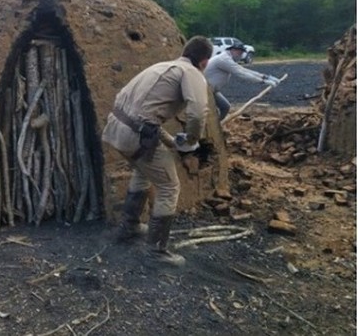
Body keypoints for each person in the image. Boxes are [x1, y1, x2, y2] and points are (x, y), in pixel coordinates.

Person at [102, 36, 213, 266]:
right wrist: (192, 139)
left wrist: (171, 141)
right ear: (204, 61)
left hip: (116, 128)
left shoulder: (162, 66)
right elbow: (198, 113)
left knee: (143, 172)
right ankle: (155, 251)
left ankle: (129, 226)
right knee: (169, 186)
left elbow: (142, 115)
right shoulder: (192, 73)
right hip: (136, 136)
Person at [205, 40, 280, 120]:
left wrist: (265, 77)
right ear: (233, 50)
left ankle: (217, 126)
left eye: (241, 53)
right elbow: (242, 74)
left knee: (225, 107)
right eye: (239, 53)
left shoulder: (228, 58)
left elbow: (244, 70)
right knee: (212, 111)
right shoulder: (224, 59)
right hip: (205, 90)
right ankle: (211, 128)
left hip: (212, 90)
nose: (240, 55)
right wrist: (263, 81)